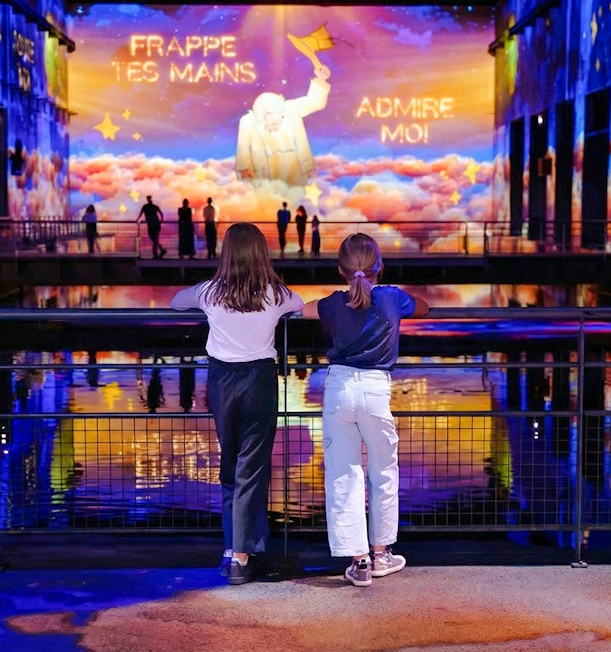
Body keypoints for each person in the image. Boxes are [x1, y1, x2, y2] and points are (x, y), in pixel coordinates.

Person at [171, 223, 303, 585]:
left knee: (230, 464)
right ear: (261, 254)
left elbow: (176, 301)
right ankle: (243, 555)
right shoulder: (275, 294)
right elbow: (300, 304)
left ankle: (234, 549)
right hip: (258, 381)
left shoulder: (210, 292)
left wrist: (204, 293)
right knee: (251, 467)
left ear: (226, 253)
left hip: (221, 381)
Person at [302, 233, 429, 587]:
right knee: (383, 470)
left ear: (340, 269)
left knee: (344, 473)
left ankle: (358, 562)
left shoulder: (333, 304)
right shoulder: (391, 298)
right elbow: (424, 307)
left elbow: (305, 309)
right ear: (380, 266)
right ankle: (382, 554)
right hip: (376, 390)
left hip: (340, 389)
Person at [236, 65, 332, 204]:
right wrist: (244, 171)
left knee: (295, 203)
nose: (277, 120)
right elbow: (243, 148)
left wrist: (320, 80)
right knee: (269, 205)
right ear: (261, 115)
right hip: (265, 173)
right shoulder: (248, 121)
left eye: (280, 115)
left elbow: (314, 102)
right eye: (271, 116)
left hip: (294, 169)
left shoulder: (291, 109)